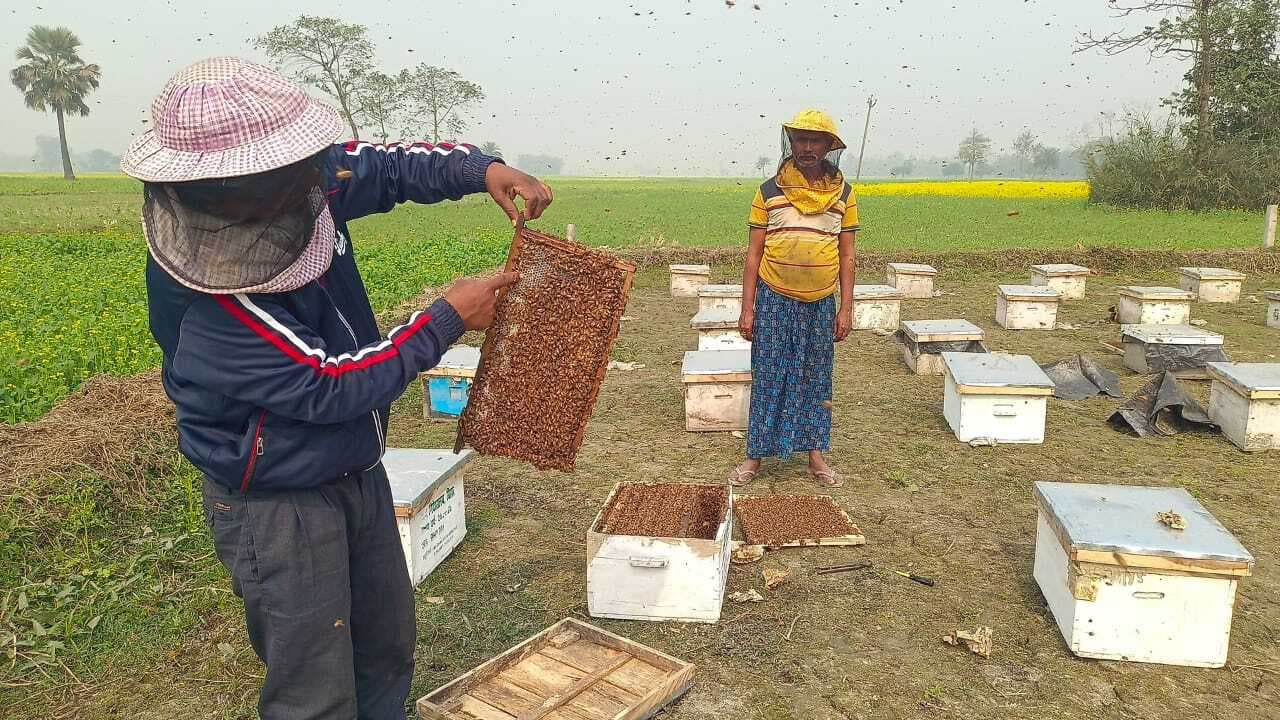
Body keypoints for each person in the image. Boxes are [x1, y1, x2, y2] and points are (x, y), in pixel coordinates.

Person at [122, 57, 552, 720]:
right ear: (213, 189)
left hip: (352, 467)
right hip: (277, 498)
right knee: (314, 685)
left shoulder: (297, 177)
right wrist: (446, 318)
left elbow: (385, 165)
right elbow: (330, 384)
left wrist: (480, 168)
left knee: (384, 648)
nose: (313, 183)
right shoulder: (205, 305)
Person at [728, 109, 858, 488]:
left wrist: (845, 307)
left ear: (828, 147)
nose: (807, 148)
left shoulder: (844, 194)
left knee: (815, 378)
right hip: (773, 298)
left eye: (815, 140)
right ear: (791, 143)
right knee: (769, 375)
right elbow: (754, 253)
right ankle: (755, 457)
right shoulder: (769, 191)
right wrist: (747, 308)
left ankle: (816, 456)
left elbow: (848, 255)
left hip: (819, 302)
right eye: (800, 140)